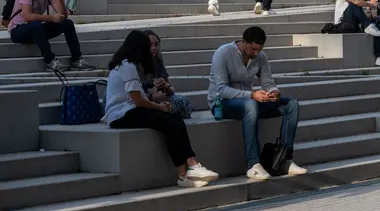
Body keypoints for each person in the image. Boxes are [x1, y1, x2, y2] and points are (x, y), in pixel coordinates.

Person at [105, 30, 218, 188]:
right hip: (121, 115)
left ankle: (186, 172)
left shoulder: (125, 64)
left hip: (126, 111)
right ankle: (190, 167)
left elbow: (138, 99)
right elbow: (138, 100)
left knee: (174, 119)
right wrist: (159, 107)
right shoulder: (128, 66)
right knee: (169, 122)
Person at [208, 26, 307, 180]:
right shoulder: (223, 53)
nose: (256, 53)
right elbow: (221, 90)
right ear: (243, 41)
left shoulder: (261, 56)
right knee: (250, 105)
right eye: (253, 49)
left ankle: (284, 159)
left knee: (291, 104)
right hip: (222, 104)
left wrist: (274, 92)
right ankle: (253, 164)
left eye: (259, 50)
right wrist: (252, 95)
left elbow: (268, 82)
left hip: (249, 102)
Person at [6, 0, 95, 72]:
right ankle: (50, 61)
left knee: (67, 23)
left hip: (35, 29)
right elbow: (27, 16)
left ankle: (77, 60)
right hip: (18, 30)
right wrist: (51, 18)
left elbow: (63, 15)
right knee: (36, 25)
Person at [142, 30, 194, 119]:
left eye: (156, 44)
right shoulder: (136, 64)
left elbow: (171, 90)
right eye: (150, 45)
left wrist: (165, 86)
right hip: (143, 101)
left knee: (184, 103)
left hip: (161, 98)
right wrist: (152, 97)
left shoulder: (158, 60)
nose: (154, 48)